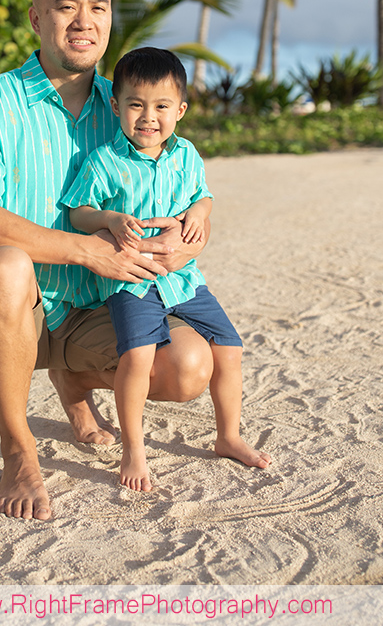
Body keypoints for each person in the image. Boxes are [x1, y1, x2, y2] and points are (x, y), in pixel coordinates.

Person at [0, 0, 213, 520]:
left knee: (189, 367)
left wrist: (187, 238)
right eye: (67, 6)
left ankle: (74, 375)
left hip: (99, 305)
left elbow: (180, 189)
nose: (84, 20)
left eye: (98, 7)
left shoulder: (130, 105)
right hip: (6, 307)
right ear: (38, 20)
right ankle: (17, 449)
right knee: (4, 267)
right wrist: (84, 249)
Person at [66, 47, 271, 492]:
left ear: (179, 110)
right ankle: (134, 450)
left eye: (161, 106)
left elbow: (204, 195)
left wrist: (200, 211)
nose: (148, 117)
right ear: (116, 105)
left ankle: (228, 436)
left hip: (184, 279)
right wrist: (108, 218)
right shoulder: (105, 161)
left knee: (230, 349)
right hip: (132, 280)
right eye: (136, 104)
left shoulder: (187, 155)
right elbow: (78, 213)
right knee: (137, 358)